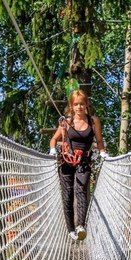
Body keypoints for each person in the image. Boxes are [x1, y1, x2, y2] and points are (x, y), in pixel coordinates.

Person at [49, 89, 108, 241]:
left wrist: (102, 153)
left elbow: (99, 141)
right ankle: (70, 229)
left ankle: (80, 226)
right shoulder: (67, 122)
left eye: (81, 104)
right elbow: (54, 140)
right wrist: (52, 151)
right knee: (67, 195)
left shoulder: (93, 121)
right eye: (76, 104)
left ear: (86, 104)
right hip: (66, 161)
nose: (79, 107)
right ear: (71, 106)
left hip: (83, 162)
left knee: (81, 190)